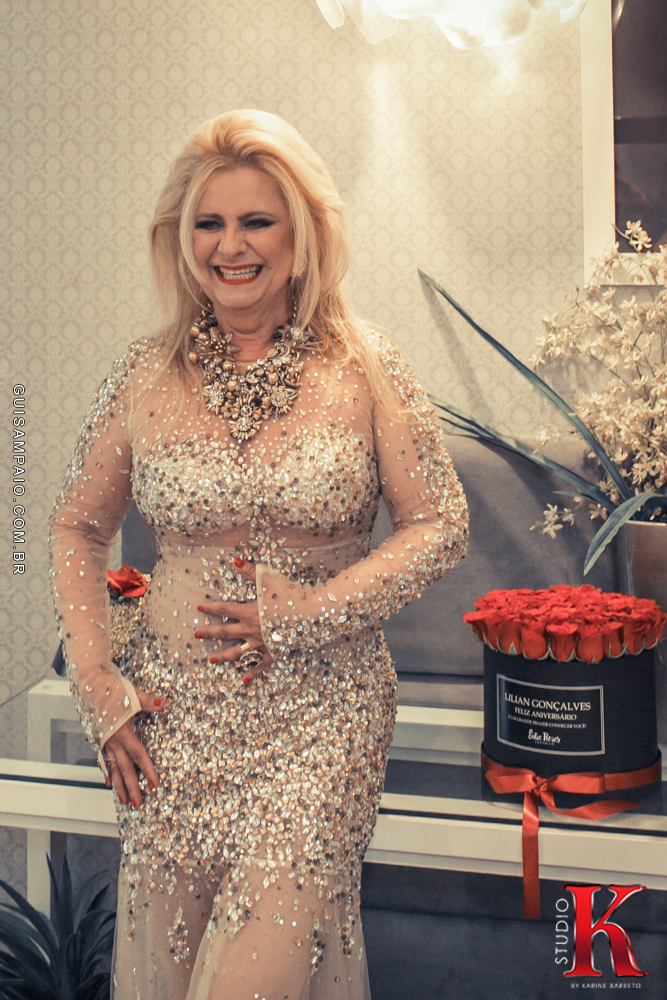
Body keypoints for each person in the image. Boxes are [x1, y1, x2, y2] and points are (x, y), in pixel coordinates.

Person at [48, 109, 469, 1000]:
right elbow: (75, 527)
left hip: (320, 719)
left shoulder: (366, 364)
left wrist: (310, 611)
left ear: (301, 234)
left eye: (256, 221)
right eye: (209, 223)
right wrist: (98, 687)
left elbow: (440, 523)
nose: (230, 246)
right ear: (181, 238)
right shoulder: (143, 372)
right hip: (173, 724)